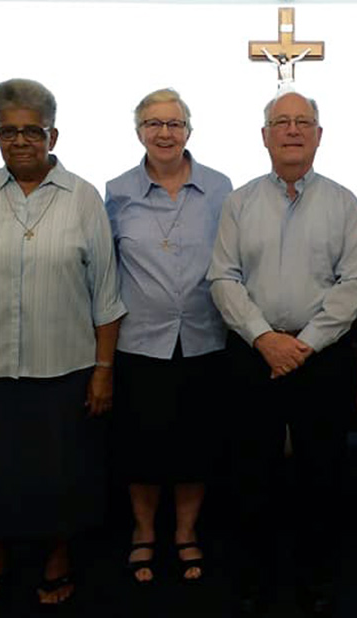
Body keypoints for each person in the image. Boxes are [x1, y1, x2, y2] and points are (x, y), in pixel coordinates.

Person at [0, 78, 126, 605]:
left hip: (63, 368)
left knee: (59, 473)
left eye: (32, 131)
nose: (20, 141)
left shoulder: (83, 198)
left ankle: (57, 557)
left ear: (52, 135)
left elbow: (106, 295)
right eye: (8, 131)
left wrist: (103, 370)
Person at [208, 91, 357, 616]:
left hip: (319, 356)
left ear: (319, 135)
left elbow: (356, 281)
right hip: (253, 353)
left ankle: (317, 579)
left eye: (304, 122)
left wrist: (306, 343)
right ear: (265, 136)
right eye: (282, 122)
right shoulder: (240, 202)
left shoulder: (343, 202)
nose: (293, 130)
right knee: (249, 469)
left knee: (322, 471)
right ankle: (252, 577)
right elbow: (223, 277)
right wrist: (264, 338)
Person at [105, 88, 232, 584]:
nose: (164, 133)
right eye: (154, 124)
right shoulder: (117, 191)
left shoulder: (220, 188)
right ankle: (143, 531)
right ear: (139, 131)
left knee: (194, 443)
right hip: (140, 340)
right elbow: (107, 268)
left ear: (188, 131)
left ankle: (185, 531)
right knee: (141, 445)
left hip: (205, 337)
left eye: (174, 124)